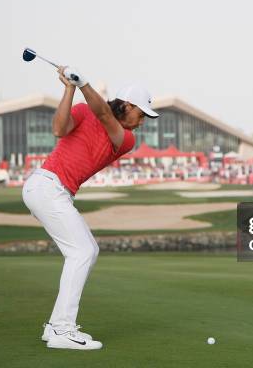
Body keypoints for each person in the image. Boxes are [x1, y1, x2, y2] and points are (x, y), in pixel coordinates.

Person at [22, 66, 158, 351]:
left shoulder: (126, 139)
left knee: (85, 251)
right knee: (83, 251)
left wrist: (82, 83)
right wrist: (70, 88)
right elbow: (59, 129)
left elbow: (105, 116)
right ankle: (62, 329)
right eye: (142, 114)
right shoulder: (84, 111)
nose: (143, 121)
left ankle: (56, 326)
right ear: (128, 105)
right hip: (46, 186)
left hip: (51, 191)